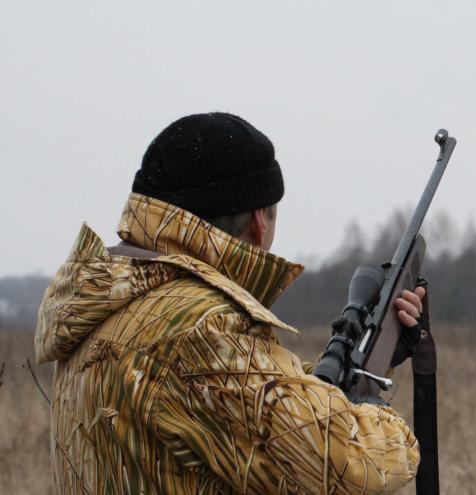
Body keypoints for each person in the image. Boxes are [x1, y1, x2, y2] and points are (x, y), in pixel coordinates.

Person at [34, 112, 428, 494]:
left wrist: (370, 361)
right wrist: (375, 413)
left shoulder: (108, 302)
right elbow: (350, 463)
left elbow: (226, 408)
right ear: (259, 221)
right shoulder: (199, 327)